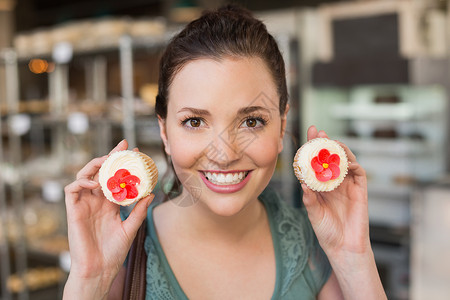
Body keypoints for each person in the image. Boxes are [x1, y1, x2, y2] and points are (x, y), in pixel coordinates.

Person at [63, 5, 386, 300]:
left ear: (282, 126)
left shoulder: (313, 246)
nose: (224, 153)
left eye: (251, 121)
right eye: (194, 121)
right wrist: (89, 280)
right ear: (164, 132)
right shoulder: (123, 253)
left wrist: (355, 259)